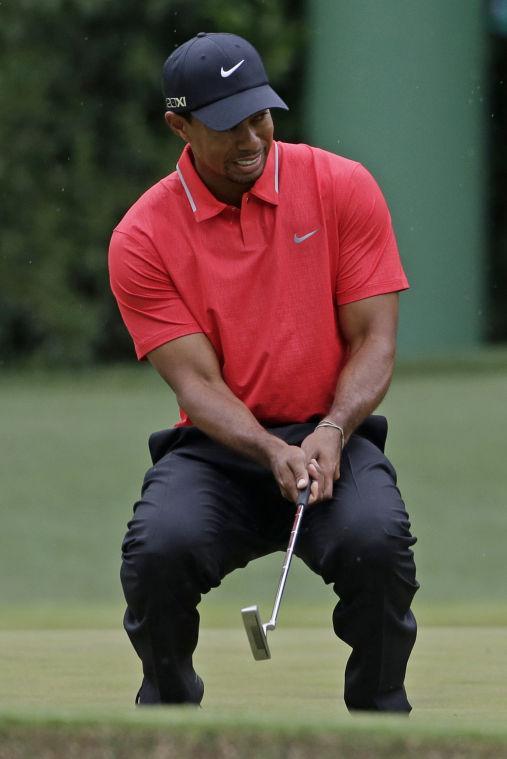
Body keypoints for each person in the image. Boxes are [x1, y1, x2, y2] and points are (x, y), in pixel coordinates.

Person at [108, 31, 419, 712]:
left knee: (377, 543)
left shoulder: (340, 186)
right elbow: (196, 385)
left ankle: (379, 722)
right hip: (219, 450)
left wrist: (334, 428)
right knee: (158, 551)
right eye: (227, 124)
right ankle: (166, 715)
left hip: (329, 433)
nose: (252, 137)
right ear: (179, 126)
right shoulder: (142, 236)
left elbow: (374, 339)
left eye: (260, 115)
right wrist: (268, 448)